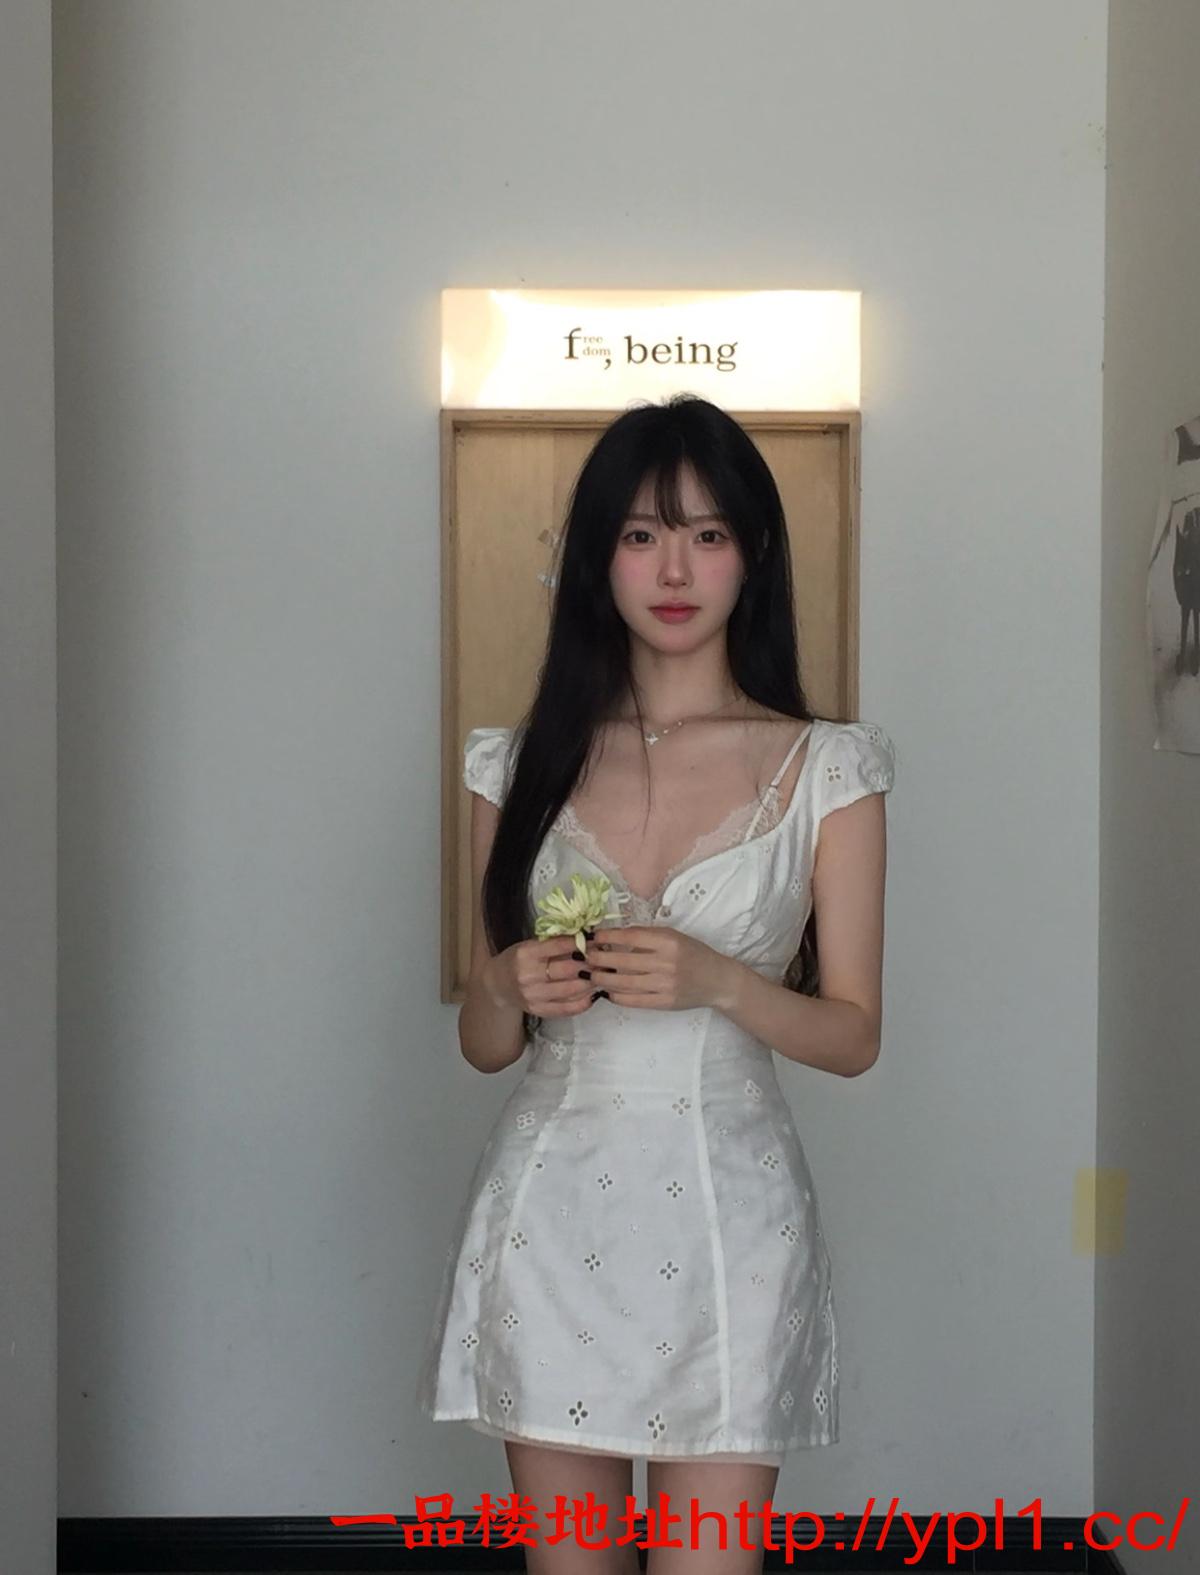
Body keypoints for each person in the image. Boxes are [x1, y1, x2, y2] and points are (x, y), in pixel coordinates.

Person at [416, 394, 896, 1575]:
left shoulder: (827, 767)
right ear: (597, 558)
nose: (674, 570)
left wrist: (719, 981)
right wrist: (507, 983)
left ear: (755, 554)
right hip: (553, 1208)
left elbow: (853, 1036)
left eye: (707, 534)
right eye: (640, 535)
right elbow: (486, 1044)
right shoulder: (512, 765)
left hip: (731, 1212)